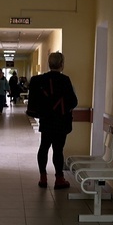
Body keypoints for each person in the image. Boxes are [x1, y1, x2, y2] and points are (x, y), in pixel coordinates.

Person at [30, 52, 78, 189]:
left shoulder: (40, 80)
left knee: (43, 147)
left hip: (46, 120)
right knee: (58, 150)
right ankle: (59, 179)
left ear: (49, 64)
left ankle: (43, 178)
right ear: (62, 64)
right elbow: (73, 102)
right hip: (61, 122)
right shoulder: (65, 80)